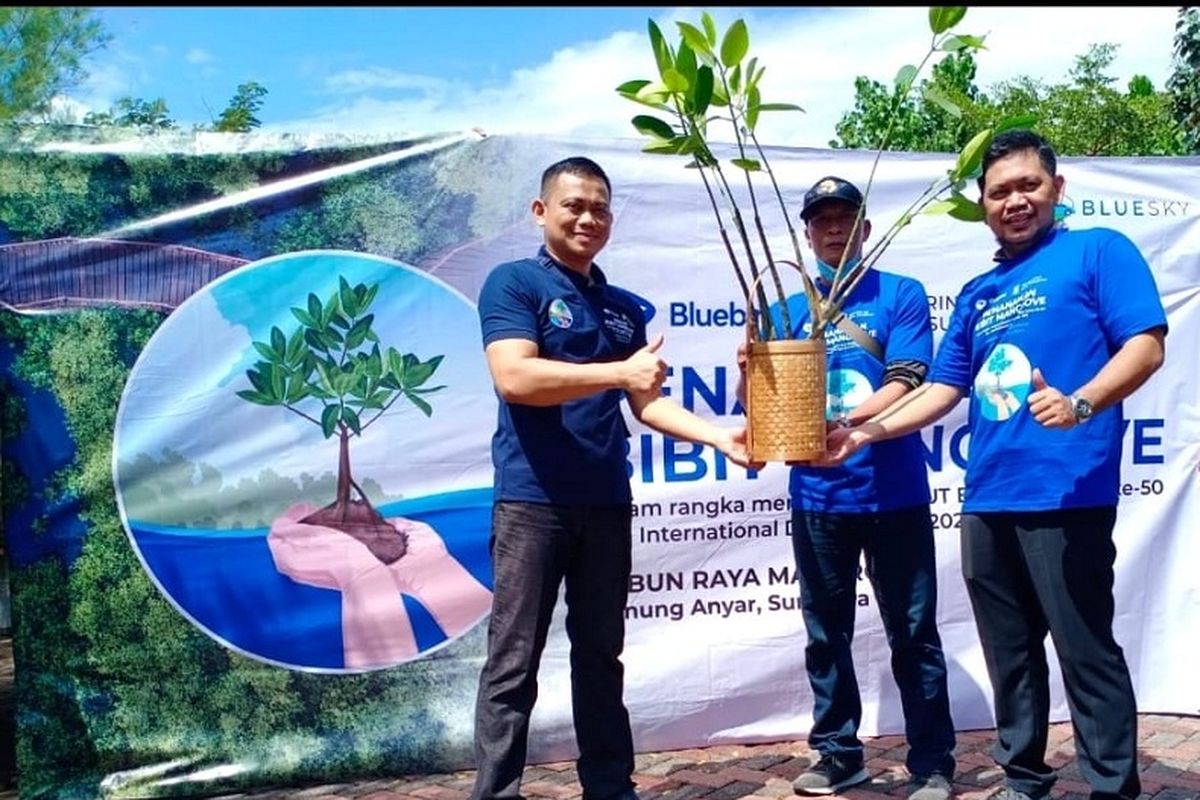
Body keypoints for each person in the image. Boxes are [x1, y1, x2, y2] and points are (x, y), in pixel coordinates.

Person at [821, 130, 1168, 800]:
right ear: (981, 202)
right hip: (987, 498)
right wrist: (866, 432)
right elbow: (942, 390)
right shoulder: (980, 291)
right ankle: (1024, 777)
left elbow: (1145, 345)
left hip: (1067, 493)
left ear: (1056, 190)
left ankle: (1111, 786)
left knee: (1084, 649)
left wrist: (1082, 402)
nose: (1015, 201)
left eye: (1028, 186)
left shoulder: (1098, 251)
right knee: (1010, 655)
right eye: (1000, 190)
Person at [470, 156, 753, 800]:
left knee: (600, 656)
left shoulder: (624, 310)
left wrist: (720, 435)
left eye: (599, 207)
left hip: (606, 503)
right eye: (573, 205)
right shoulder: (514, 284)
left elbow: (647, 402)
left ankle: (609, 786)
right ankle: (495, 792)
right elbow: (515, 377)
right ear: (541, 211)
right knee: (512, 665)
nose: (587, 218)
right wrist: (617, 374)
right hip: (531, 502)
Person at [737, 176, 957, 800]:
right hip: (817, 499)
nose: (833, 227)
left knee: (913, 633)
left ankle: (933, 763)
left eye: (845, 218)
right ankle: (838, 754)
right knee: (824, 632)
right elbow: (760, 410)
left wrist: (849, 424)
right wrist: (748, 372)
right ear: (807, 233)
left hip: (895, 495)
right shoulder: (782, 311)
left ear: (864, 228)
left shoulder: (901, 294)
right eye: (822, 219)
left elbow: (909, 378)